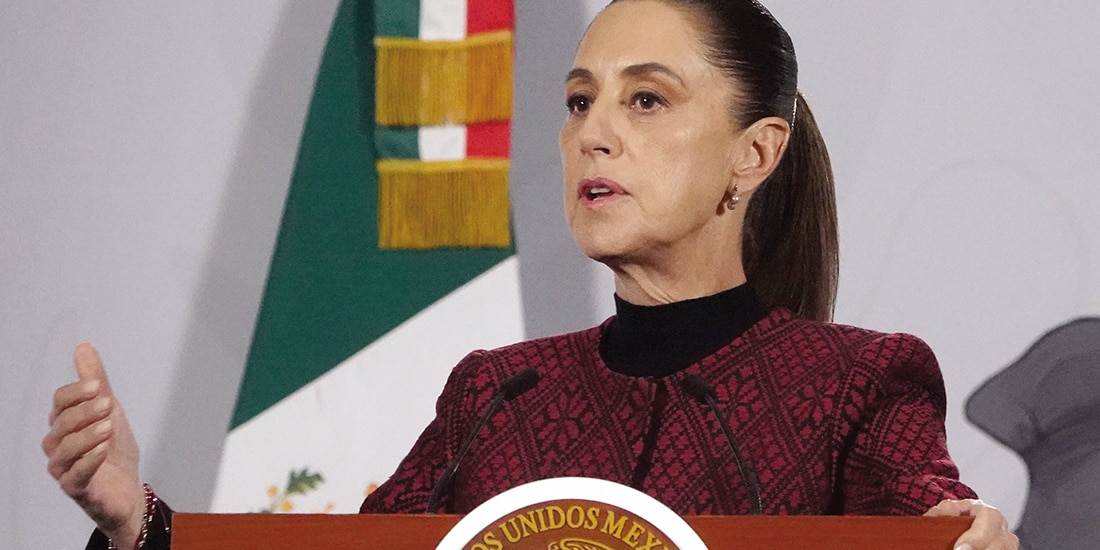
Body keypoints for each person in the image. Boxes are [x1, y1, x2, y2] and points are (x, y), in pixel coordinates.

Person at [43, 0, 1019, 548]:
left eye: (645, 100)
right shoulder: (492, 392)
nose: (590, 131)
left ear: (752, 155)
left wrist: (966, 531)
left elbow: (928, 522)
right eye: (578, 99)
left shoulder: (862, 382)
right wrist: (139, 519)